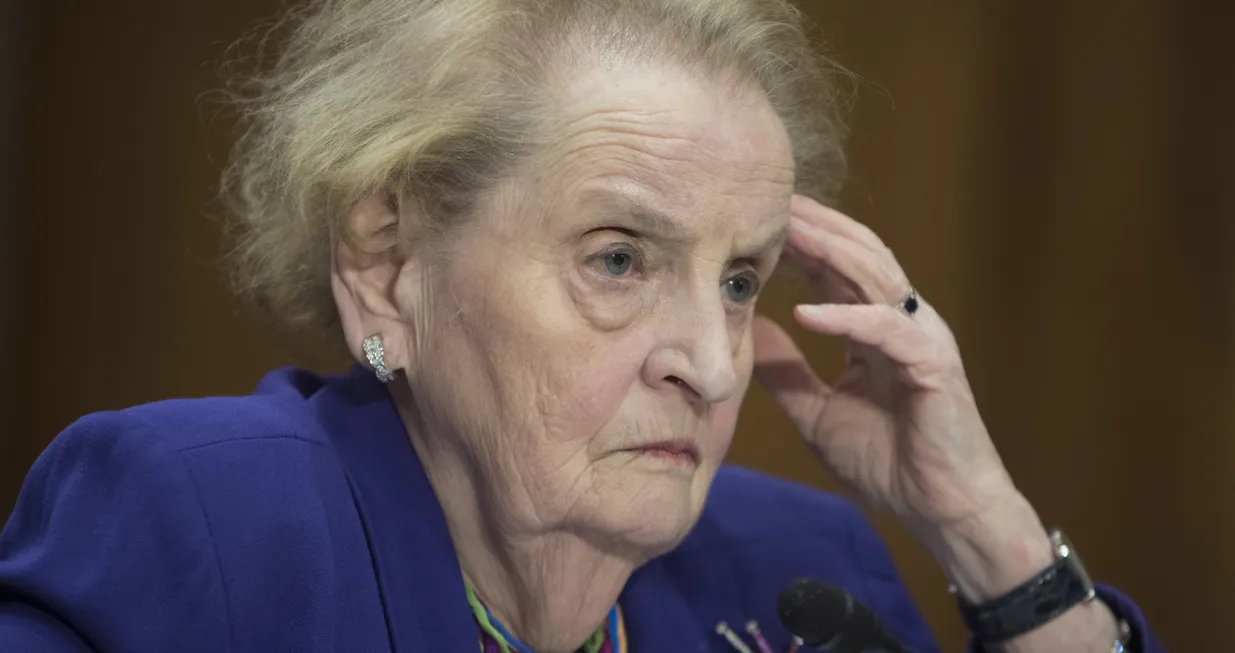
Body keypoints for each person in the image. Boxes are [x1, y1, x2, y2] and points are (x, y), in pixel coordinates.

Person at [0, 0, 1165, 651]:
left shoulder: (802, 569)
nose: (712, 366)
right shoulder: (201, 522)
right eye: (618, 257)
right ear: (387, 260)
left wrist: (984, 535)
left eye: (738, 277)